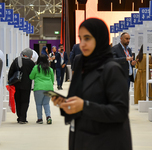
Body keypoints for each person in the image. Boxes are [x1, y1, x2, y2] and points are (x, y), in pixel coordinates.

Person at [51, 18, 132, 150]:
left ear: (99, 38)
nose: (82, 44)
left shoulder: (112, 69)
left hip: (106, 142)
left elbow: (120, 112)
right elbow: (82, 100)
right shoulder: (83, 66)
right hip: (82, 139)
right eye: (80, 38)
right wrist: (66, 104)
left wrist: (84, 106)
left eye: (87, 38)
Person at [8, 48, 35, 124]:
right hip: (26, 85)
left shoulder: (16, 60)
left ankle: (19, 116)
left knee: (18, 101)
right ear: (29, 54)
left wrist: (10, 81)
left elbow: (11, 71)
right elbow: (34, 74)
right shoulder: (31, 63)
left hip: (16, 84)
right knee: (25, 101)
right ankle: (23, 118)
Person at [29, 55, 54, 124]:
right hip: (49, 88)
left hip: (38, 88)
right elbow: (52, 80)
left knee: (39, 104)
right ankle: (48, 117)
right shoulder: (50, 69)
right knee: (46, 103)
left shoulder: (36, 68)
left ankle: (40, 119)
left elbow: (31, 77)